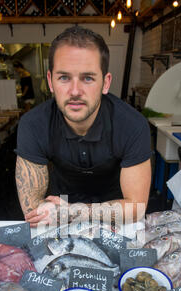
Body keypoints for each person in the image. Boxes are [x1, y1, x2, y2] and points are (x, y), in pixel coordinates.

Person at [15, 26, 152, 228]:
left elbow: (137, 208)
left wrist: (72, 211)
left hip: (115, 219)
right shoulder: (33, 124)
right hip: (59, 215)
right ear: (50, 82)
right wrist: (63, 213)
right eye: (64, 78)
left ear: (106, 83)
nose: (75, 91)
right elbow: (33, 210)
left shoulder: (133, 124)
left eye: (87, 78)